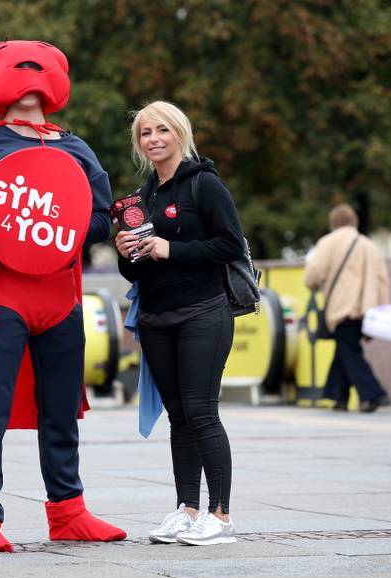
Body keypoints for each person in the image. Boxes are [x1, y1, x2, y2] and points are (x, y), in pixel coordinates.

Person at [0, 40, 126, 553]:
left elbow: (101, 215)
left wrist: (68, 229)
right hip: (0, 296)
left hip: (62, 299)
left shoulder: (77, 148)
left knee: (61, 409)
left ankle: (68, 511)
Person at [115, 101, 243, 546]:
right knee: (179, 418)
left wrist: (172, 250)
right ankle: (187, 510)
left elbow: (230, 244)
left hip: (203, 312)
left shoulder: (204, 184)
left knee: (202, 412)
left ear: (180, 134)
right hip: (156, 317)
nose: (153, 139)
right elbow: (135, 272)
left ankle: (220, 515)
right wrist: (124, 249)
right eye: (145, 133)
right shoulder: (143, 196)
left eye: (162, 130)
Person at [305, 204, 390, 413]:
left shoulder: (328, 242)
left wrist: (312, 284)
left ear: (333, 222)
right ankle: (338, 397)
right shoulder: (370, 245)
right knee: (344, 349)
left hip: (342, 306)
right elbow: (383, 280)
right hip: (366, 309)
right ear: (354, 221)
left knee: (350, 351)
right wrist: (381, 311)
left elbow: (314, 275)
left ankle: (374, 394)